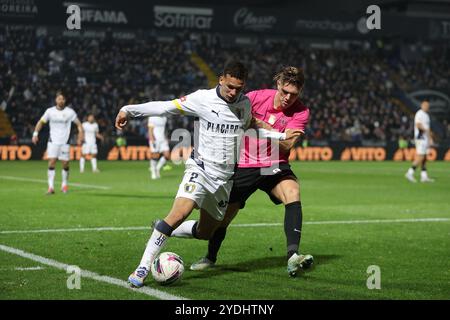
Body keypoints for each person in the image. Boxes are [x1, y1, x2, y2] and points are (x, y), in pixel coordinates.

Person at [114, 61, 302, 287]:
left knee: (205, 232)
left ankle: (163, 229)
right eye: (230, 86)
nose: (233, 92)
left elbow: (253, 128)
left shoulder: (243, 105)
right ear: (221, 79)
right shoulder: (202, 99)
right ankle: (142, 269)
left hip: (224, 180)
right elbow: (165, 107)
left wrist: (282, 137)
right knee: (179, 213)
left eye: (238, 88)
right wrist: (128, 110)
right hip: (200, 169)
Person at [186, 66, 314, 277]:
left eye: (294, 94)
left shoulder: (301, 111)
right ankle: (210, 257)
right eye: (285, 92)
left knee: (293, 192)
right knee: (223, 218)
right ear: (278, 85)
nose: (288, 98)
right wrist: (274, 132)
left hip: (273, 164)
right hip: (244, 163)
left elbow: (285, 146)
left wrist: (261, 125)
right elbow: (234, 120)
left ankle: (293, 256)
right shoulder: (255, 97)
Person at [32, 91, 84, 194]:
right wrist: (35, 134)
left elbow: (79, 124)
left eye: (63, 99)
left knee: (65, 164)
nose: (61, 100)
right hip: (53, 141)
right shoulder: (50, 111)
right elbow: (41, 122)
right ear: (56, 100)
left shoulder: (70, 112)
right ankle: (50, 187)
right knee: (51, 162)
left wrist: (80, 135)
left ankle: (64, 185)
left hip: (65, 142)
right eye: (59, 99)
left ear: (65, 100)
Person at [405, 100, 434, 183]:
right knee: (420, 156)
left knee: (424, 157)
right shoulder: (419, 113)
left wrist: (430, 138)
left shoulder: (426, 115)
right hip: (420, 138)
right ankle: (410, 172)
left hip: (425, 139)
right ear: (422, 105)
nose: (427, 107)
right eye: (425, 105)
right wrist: (426, 131)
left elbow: (427, 128)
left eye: (428, 106)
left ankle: (424, 176)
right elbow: (418, 125)